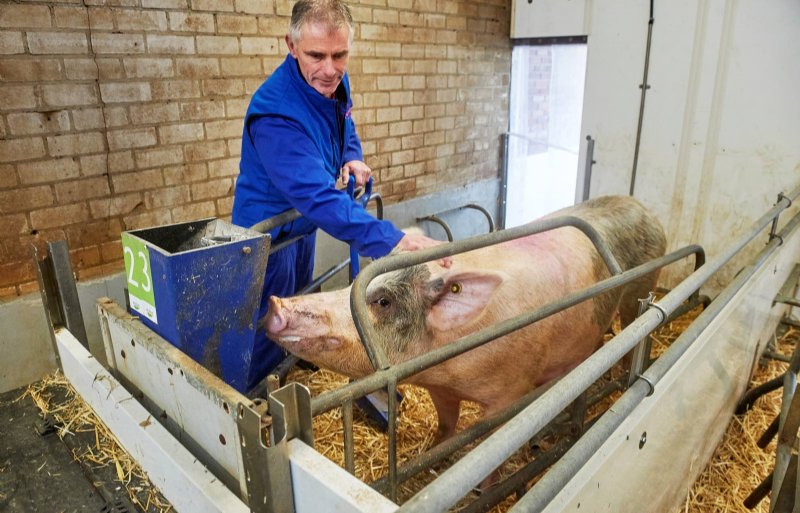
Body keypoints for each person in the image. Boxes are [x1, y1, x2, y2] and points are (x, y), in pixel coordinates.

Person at [232, 0, 447, 389]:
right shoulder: (275, 114)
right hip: (268, 235)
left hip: (301, 226)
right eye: (316, 55)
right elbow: (315, 195)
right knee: (267, 320)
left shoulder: (333, 82)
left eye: (339, 54)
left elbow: (345, 122)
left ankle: (289, 365)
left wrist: (352, 156)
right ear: (291, 45)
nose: (329, 68)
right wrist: (393, 241)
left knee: (300, 299)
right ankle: (256, 399)